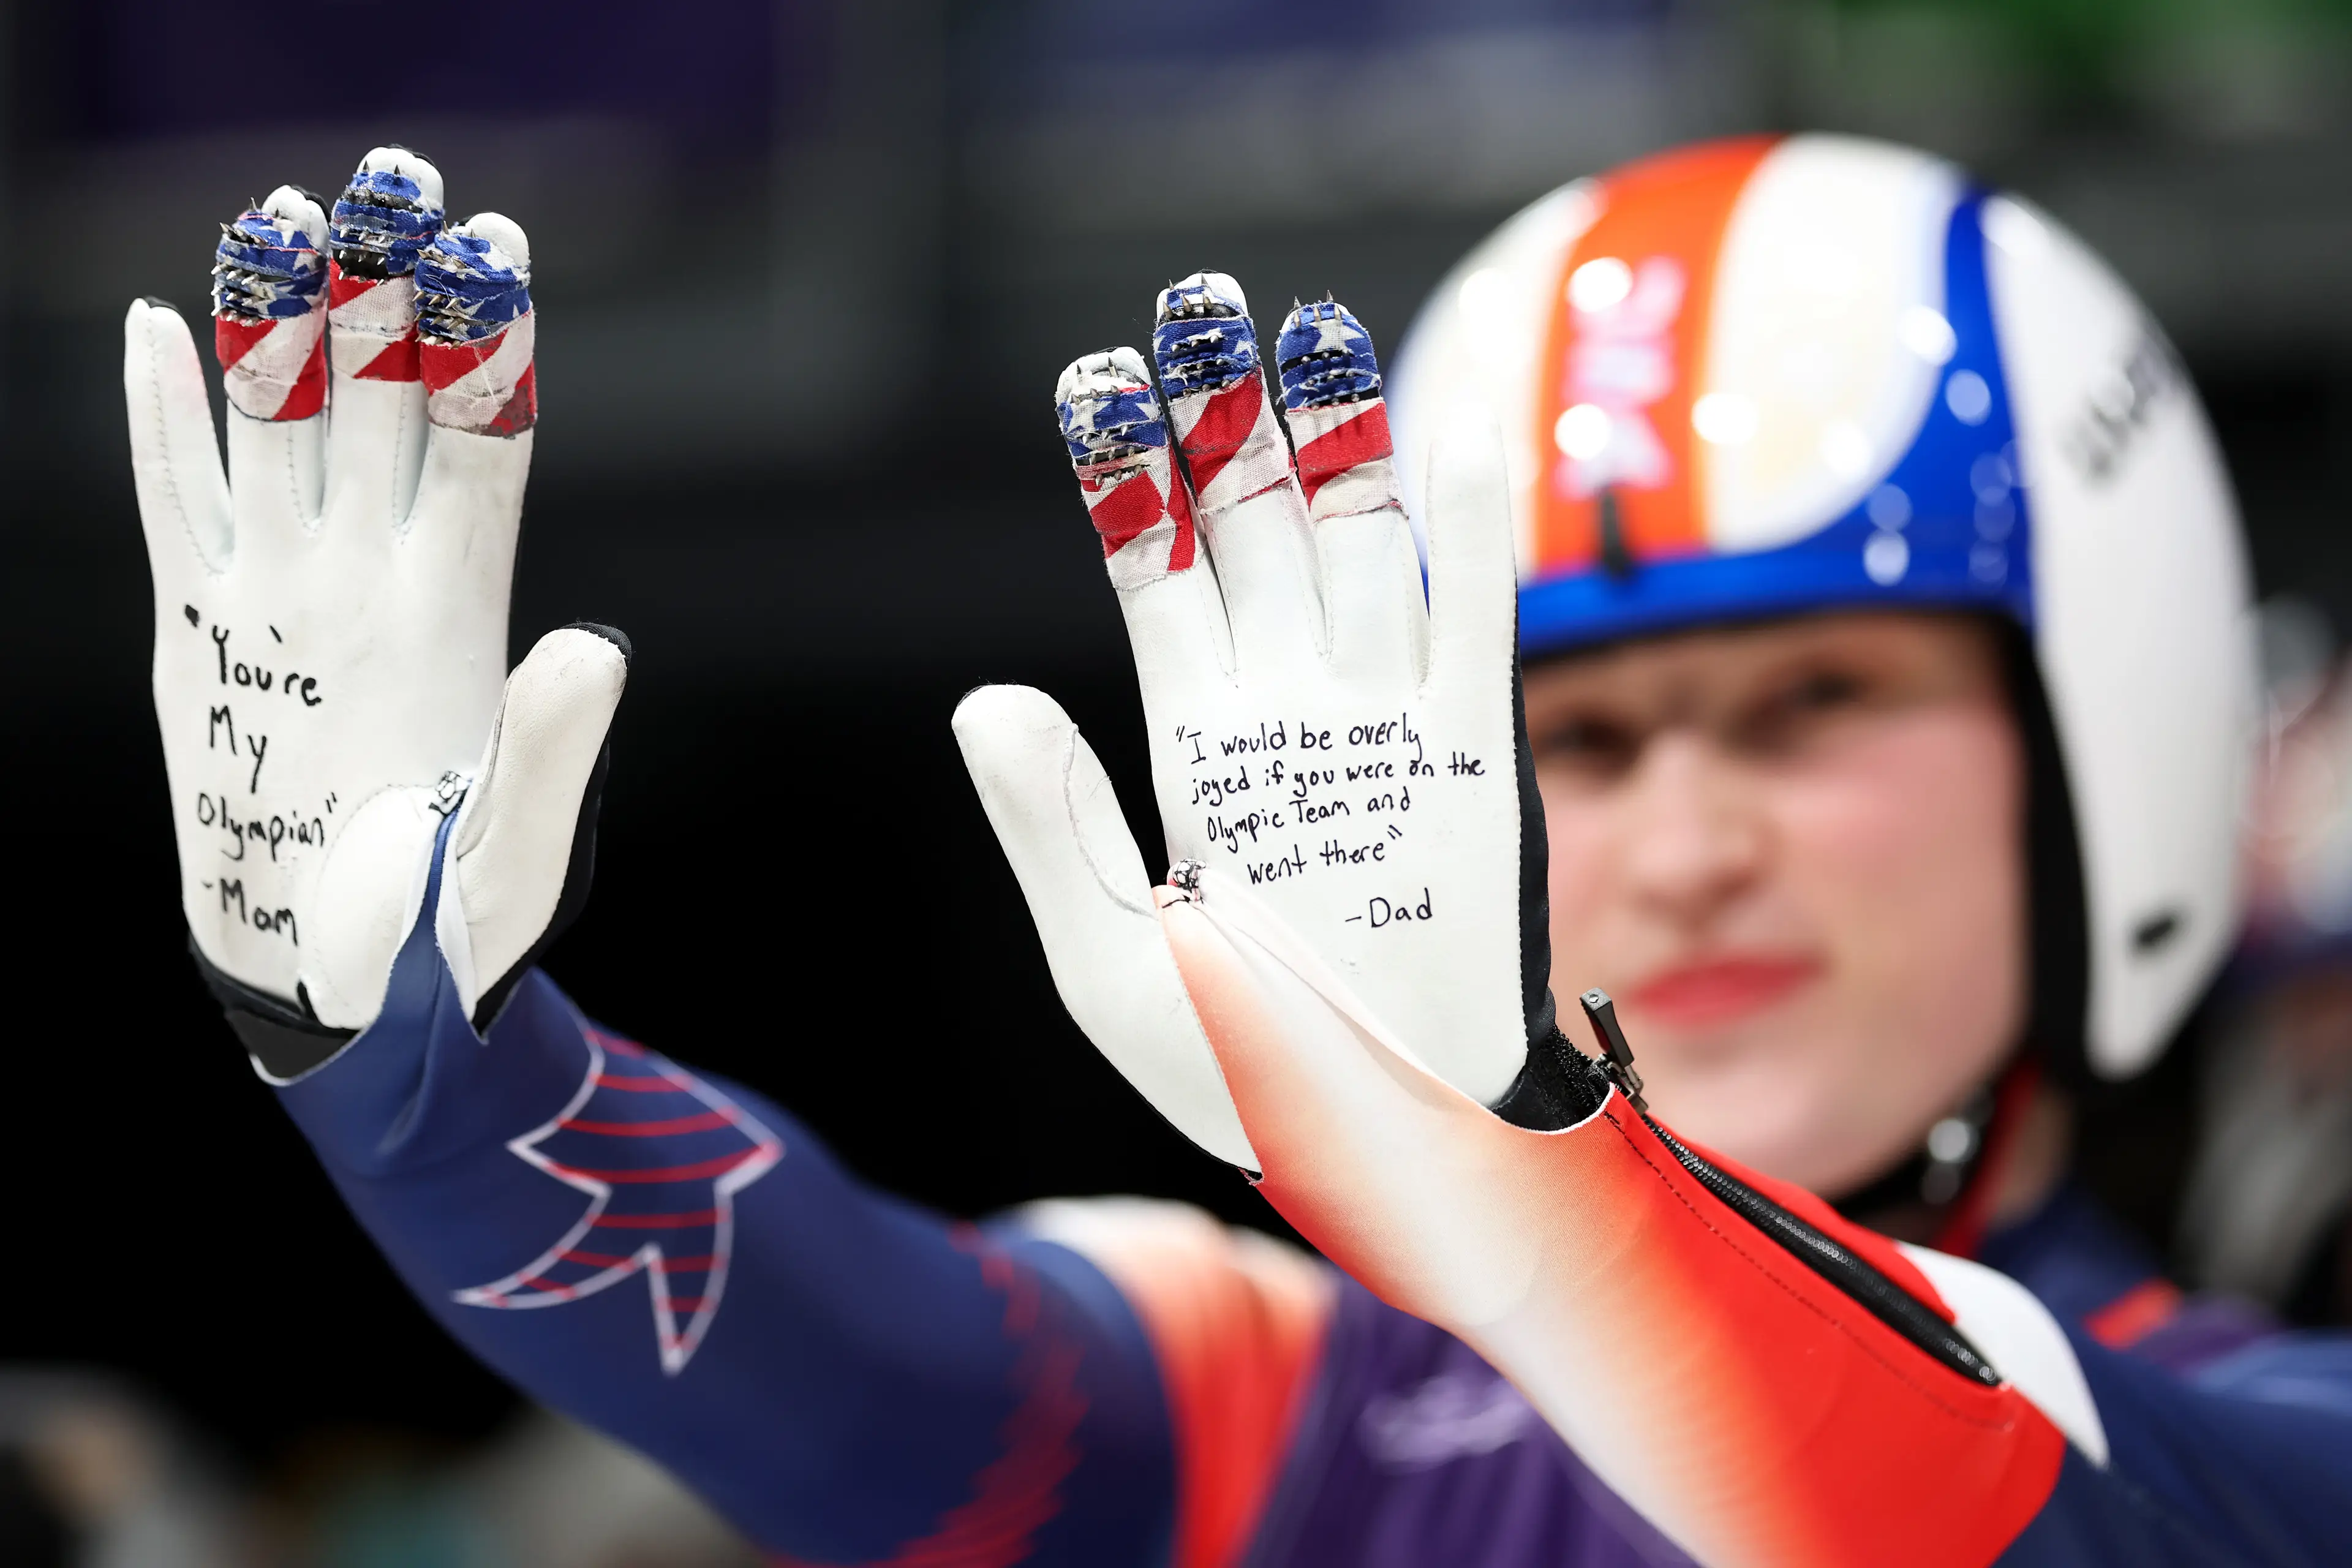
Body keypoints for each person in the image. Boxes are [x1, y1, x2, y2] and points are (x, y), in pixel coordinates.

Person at [123, 135, 2348, 1566]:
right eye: (1570, 733)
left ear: (2101, 742)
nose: (1681, 849)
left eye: (1813, 708)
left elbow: (2021, 1490)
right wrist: (413, 1079)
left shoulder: (2281, 1453)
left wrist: (1547, 1178)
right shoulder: (1319, 1422)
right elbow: (848, 1356)